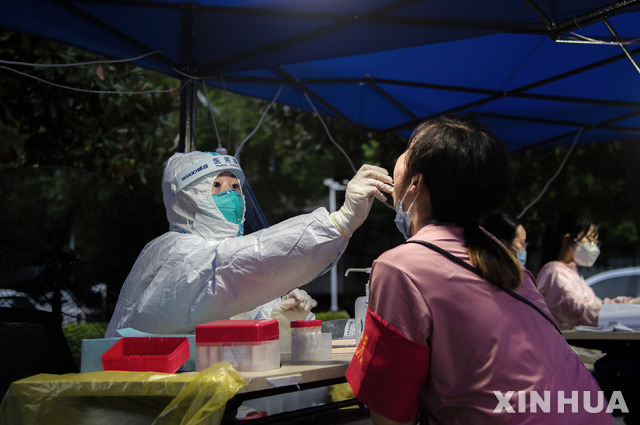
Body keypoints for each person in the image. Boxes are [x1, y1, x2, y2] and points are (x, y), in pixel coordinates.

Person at [345, 115, 610, 424]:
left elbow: (389, 409)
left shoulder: (400, 266)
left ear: (416, 183)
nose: (396, 160)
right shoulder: (497, 253)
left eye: (407, 150)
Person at [106, 151, 393, 337]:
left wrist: (280, 318)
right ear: (185, 200)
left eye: (235, 187)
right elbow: (225, 268)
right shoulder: (172, 251)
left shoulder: (234, 257)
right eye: (216, 186)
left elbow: (240, 302)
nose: (230, 195)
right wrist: (338, 223)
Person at [537, 210, 633, 330]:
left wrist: (631, 304)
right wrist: (628, 311)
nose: (593, 246)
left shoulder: (572, 273)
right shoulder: (555, 272)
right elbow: (581, 311)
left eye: (595, 241)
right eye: (589, 239)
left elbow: (595, 306)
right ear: (567, 239)